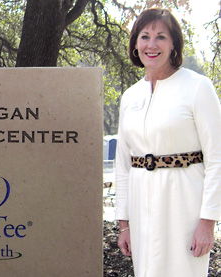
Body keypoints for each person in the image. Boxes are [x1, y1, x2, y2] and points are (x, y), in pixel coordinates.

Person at [115, 7, 221, 276]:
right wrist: (124, 224)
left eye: (161, 37)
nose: (152, 44)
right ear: (135, 44)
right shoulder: (130, 96)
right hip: (141, 207)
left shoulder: (197, 87)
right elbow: (123, 166)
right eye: (145, 36)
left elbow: (217, 157)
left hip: (184, 205)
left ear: (174, 43)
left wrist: (208, 222)